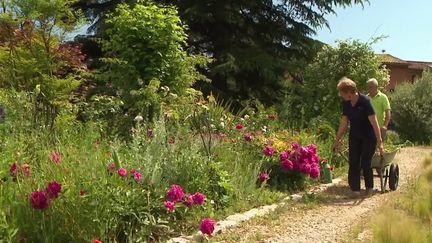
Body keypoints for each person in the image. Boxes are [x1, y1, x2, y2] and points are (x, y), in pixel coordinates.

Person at [332, 77, 384, 197]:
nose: (341, 95)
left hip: (368, 137)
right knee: (353, 162)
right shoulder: (346, 103)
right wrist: (337, 140)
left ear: (349, 92)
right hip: (355, 135)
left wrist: (380, 141)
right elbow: (344, 123)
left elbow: (374, 122)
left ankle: (369, 188)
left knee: (366, 162)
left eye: (342, 93)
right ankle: (355, 189)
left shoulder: (365, 101)